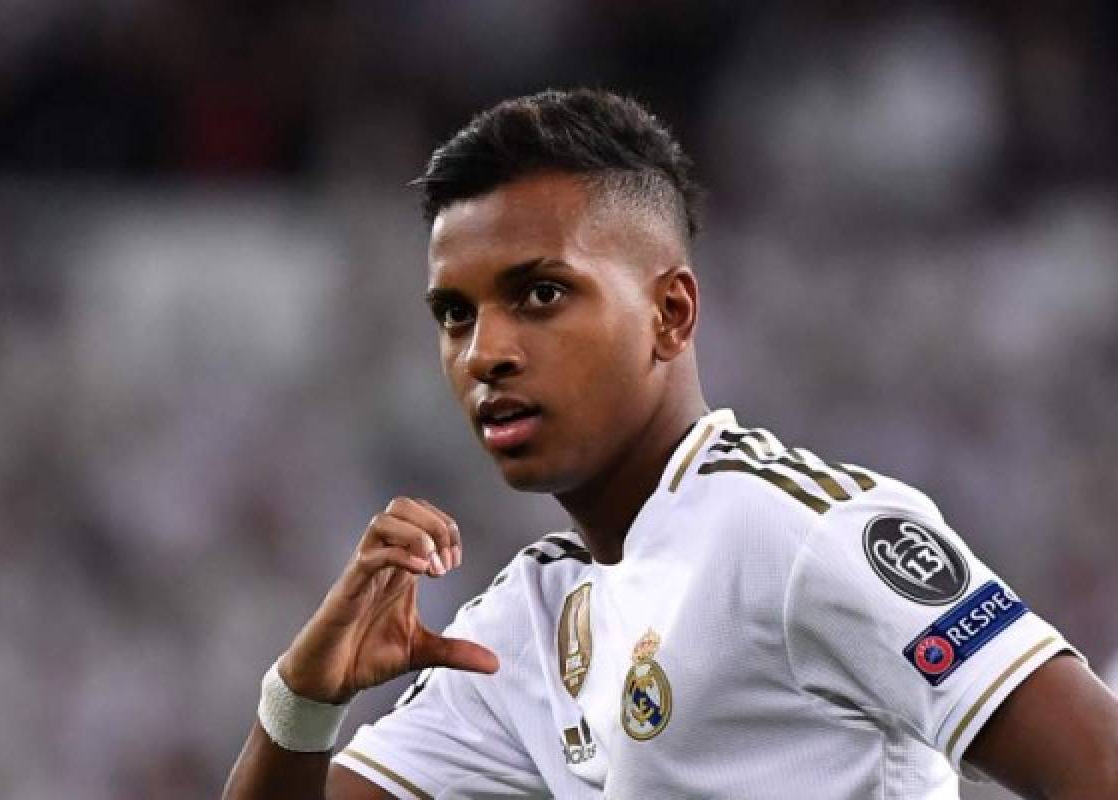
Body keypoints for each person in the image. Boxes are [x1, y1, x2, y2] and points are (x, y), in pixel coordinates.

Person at [224, 89, 1118, 799]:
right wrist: (304, 699)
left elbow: (1097, 769)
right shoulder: (528, 621)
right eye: (455, 314)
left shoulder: (798, 531)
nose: (484, 352)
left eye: (539, 294)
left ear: (670, 312)